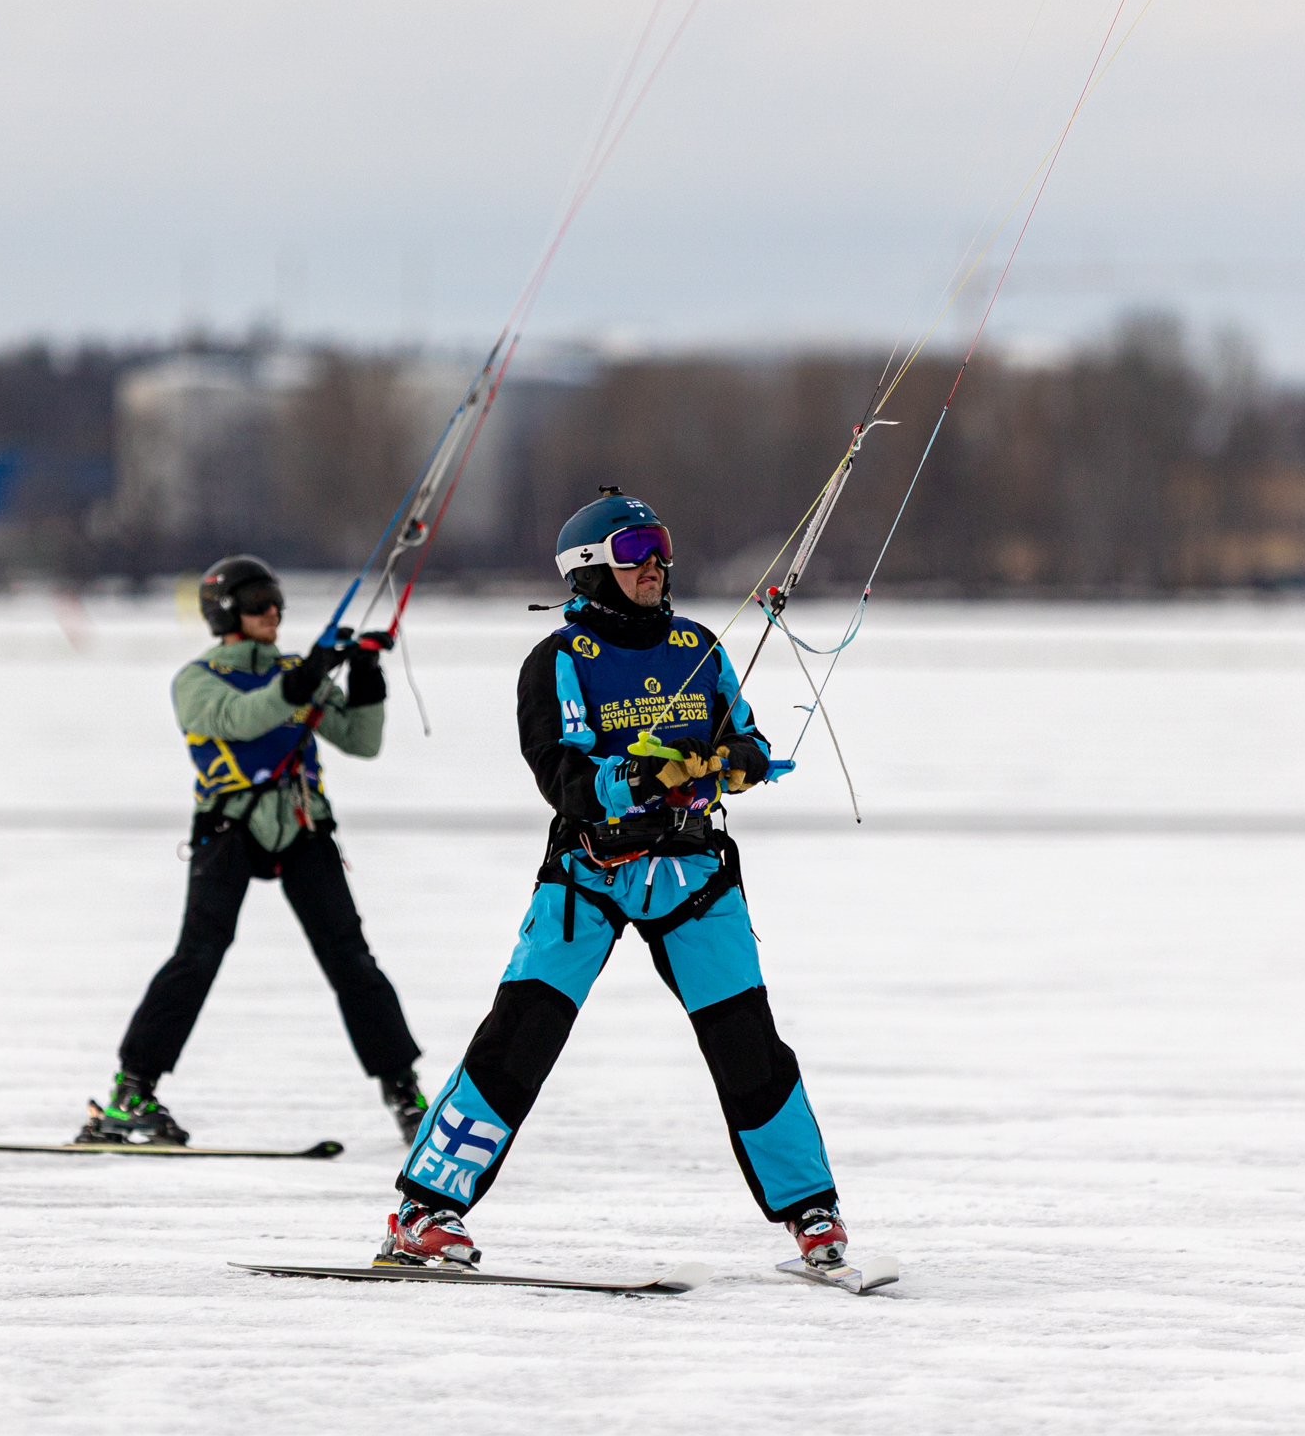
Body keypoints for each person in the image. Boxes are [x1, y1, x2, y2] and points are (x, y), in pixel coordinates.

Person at [375, 488, 854, 1275]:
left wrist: (733, 764)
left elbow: (747, 737)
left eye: (660, 546)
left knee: (749, 1047)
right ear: (589, 568)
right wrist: (639, 777)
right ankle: (424, 1211)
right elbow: (560, 775)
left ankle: (813, 1215)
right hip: (587, 882)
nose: (654, 564)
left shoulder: (699, 644)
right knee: (518, 1038)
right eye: (634, 551)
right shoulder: (560, 660)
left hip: (693, 878)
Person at [77, 554, 428, 1146]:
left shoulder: (297, 672)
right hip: (229, 828)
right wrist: (303, 679)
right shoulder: (197, 680)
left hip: (303, 825)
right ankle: (131, 1092)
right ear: (224, 611)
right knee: (197, 956)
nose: (273, 612)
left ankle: (405, 1094)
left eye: (277, 601)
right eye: (258, 601)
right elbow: (241, 719)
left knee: (351, 960)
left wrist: (366, 674)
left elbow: (361, 741)